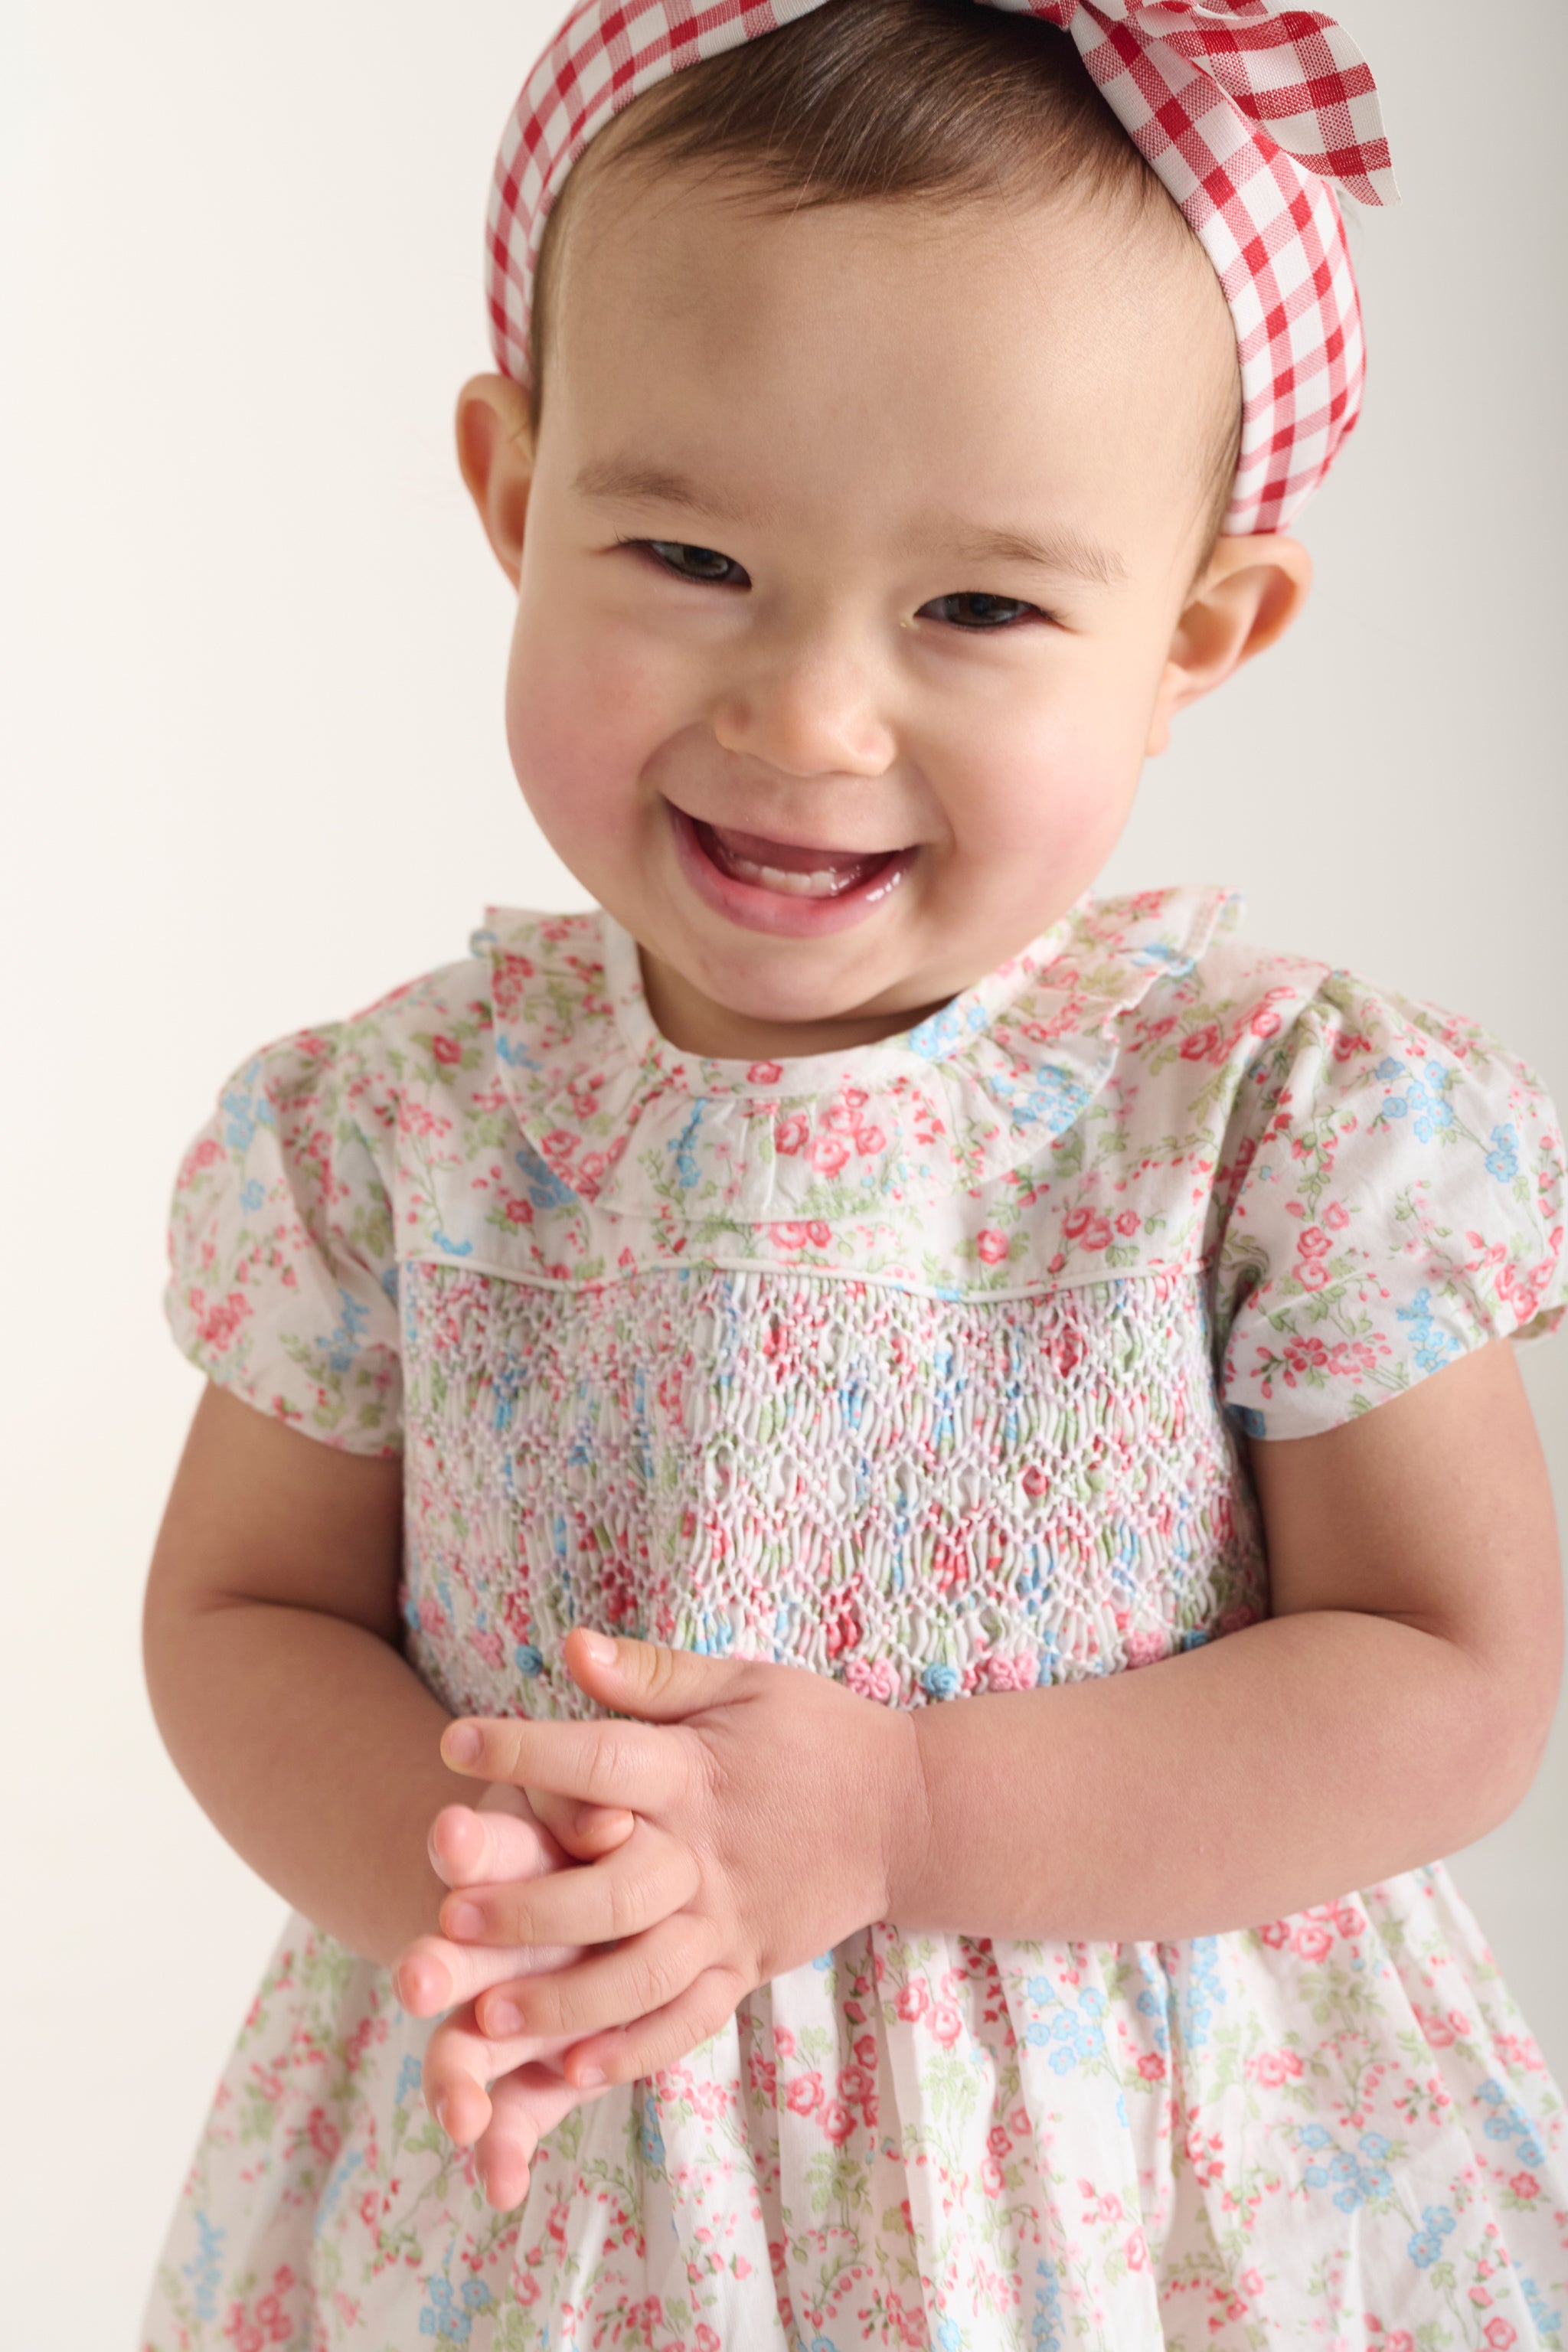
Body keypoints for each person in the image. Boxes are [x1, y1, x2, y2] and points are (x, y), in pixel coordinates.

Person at [139, 0, 1568, 2342]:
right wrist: (500, 1881)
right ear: (515, 499)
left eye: (979, 607)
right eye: (690, 551)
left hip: (1139, 2204)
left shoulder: (1271, 1125)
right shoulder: (396, 1132)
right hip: (564, 2170)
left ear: (1195, 638)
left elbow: (1451, 1674)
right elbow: (242, 1618)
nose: (807, 716)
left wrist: (906, 1818)